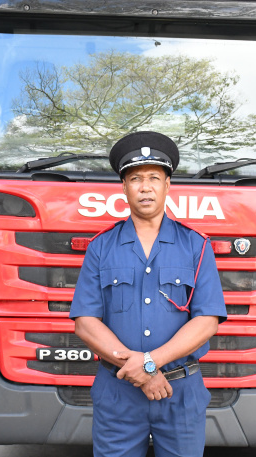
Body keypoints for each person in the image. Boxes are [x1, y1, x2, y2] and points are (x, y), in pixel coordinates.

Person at [70, 131, 227, 457]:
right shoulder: (101, 247)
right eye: (136, 178)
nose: (145, 187)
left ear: (168, 185)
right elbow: (85, 322)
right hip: (118, 394)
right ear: (124, 188)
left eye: (154, 178)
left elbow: (207, 321)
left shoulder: (196, 246)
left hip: (180, 393)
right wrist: (143, 375)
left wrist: (151, 364)